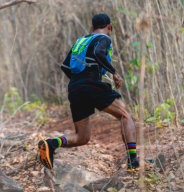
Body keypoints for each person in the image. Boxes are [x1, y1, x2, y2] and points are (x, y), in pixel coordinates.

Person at [38, 13, 139, 171]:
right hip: (91, 84)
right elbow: (99, 53)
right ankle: (133, 162)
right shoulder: (104, 38)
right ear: (109, 27)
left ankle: (50, 144)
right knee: (125, 115)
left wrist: (80, 81)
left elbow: (65, 66)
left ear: (91, 27)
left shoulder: (80, 41)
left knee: (82, 137)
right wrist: (113, 72)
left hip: (74, 88)